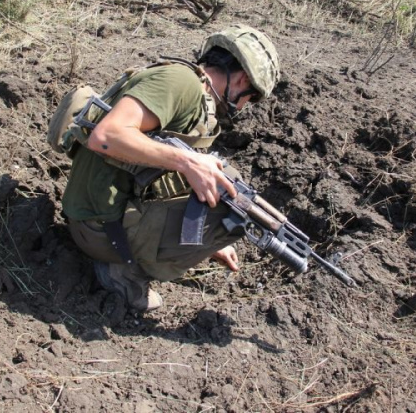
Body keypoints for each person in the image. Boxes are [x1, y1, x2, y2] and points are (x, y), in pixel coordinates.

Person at [62, 24, 280, 311]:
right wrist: (188, 162)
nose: (243, 106)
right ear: (241, 79)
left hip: (95, 216)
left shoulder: (194, 91)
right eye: (251, 97)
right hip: (100, 231)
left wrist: (211, 242)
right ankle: (124, 274)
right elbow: (106, 136)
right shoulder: (182, 84)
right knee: (234, 207)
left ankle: (138, 248)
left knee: (225, 182)